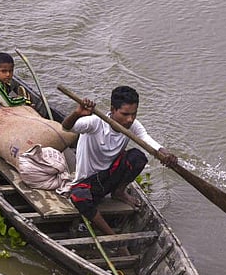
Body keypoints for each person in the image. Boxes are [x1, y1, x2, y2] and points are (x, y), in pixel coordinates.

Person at [62, 86, 178, 245]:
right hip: (89, 182)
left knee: (137, 157)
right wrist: (77, 113)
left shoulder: (133, 125)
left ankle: (119, 192)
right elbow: (66, 127)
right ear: (113, 110)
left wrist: (165, 153)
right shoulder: (95, 122)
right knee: (79, 197)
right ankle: (113, 239)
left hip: (110, 178)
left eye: (134, 114)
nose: (130, 119)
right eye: (125, 114)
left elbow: (147, 140)